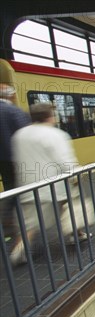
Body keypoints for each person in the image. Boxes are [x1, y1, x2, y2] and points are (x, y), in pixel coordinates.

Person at [10, 103, 91, 266]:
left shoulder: (19, 135)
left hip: (29, 184)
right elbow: (65, 159)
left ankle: (19, 249)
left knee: (30, 222)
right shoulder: (56, 134)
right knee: (70, 205)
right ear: (50, 116)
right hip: (55, 183)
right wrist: (75, 174)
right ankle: (76, 233)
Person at [0, 84, 31, 228]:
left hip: (2, 159)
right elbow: (26, 133)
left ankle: (8, 216)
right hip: (16, 157)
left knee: (9, 186)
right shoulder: (14, 111)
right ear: (11, 95)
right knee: (21, 187)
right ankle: (19, 218)